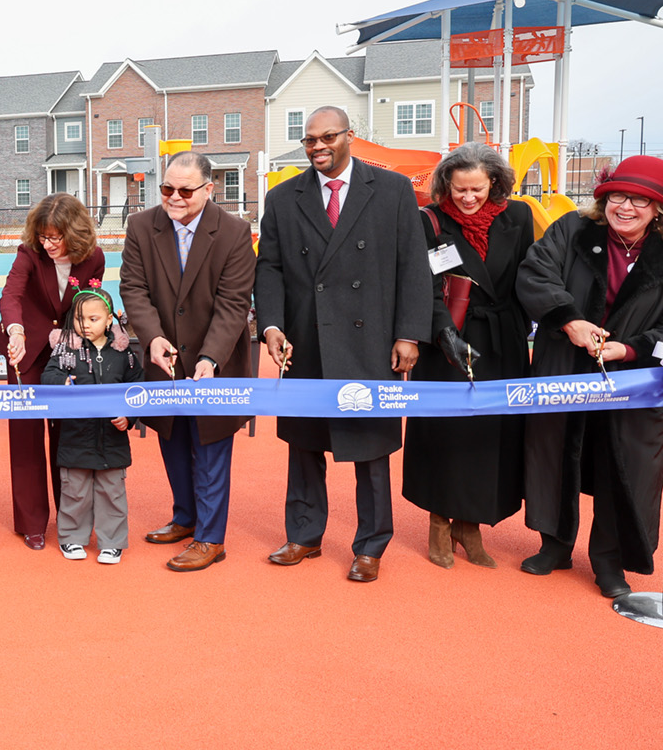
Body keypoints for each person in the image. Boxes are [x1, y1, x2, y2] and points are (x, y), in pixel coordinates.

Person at [254, 106, 430, 583]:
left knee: (370, 447)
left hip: (370, 341)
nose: (317, 147)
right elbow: (268, 267)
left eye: (327, 137)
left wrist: (409, 333)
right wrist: (270, 326)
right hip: (305, 343)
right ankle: (304, 534)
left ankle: (371, 545)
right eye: (309, 139)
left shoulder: (391, 190)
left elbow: (414, 265)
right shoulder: (283, 197)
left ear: (350, 136)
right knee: (304, 445)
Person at [517, 156, 663, 600]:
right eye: (618, 195)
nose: (627, 207)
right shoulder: (571, 229)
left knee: (625, 466)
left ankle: (609, 560)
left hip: (635, 379)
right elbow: (534, 274)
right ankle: (554, 545)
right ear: (604, 198)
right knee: (554, 452)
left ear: (657, 209)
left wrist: (632, 347)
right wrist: (569, 320)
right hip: (565, 364)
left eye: (641, 200)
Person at [119, 152, 256, 572]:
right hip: (164, 359)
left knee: (210, 447)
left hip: (218, 361)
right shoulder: (141, 226)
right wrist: (154, 338)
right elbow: (134, 289)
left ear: (209, 189)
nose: (173, 197)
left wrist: (212, 357)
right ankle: (185, 517)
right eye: (166, 188)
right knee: (172, 441)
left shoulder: (234, 232)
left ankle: (210, 539)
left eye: (184, 190)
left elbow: (234, 304)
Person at [401, 144, 533, 568]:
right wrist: (442, 335)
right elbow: (421, 285)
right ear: (446, 185)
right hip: (448, 341)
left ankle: (469, 523)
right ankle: (439, 520)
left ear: (494, 182)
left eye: (476, 188)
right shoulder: (430, 221)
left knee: (488, 436)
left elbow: (526, 279)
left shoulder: (519, 217)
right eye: (459, 190)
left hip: (501, 340)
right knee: (447, 433)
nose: (468, 198)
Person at [0, 194, 105, 550]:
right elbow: (10, 295)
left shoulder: (94, 258)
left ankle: (71, 519)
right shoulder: (28, 254)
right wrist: (15, 331)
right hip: (24, 352)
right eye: (43, 236)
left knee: (68, 439)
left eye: (56, 237)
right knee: (25, 440)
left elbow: (89, 306)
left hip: (67, 353)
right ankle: (31, 523)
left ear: (75, 233)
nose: (49, 244)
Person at [41, 286, 140, 563]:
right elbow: (48, 374)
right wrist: (61, 382)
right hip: (75, 436)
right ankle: (72, 537)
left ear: (110, 320)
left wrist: (128, 417)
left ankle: (112, 541)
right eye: (79, 319)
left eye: (93, 319)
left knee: (112, 492)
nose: (85, 325)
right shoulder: (66, 350)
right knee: (75, 492)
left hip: (112, 437)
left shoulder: (124, 354)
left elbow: (137, 387)